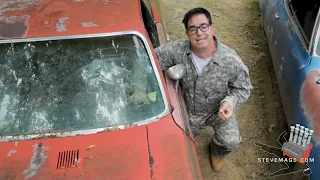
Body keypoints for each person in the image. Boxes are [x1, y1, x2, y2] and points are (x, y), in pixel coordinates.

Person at [132, 7, 253, 172]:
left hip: (218, 112)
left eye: (203, 26)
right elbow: (146, 62)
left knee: (230, 141)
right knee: (175, 146)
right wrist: (138, 86)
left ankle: (216, 151)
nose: (199, 33)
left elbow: (243, 88)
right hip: (187, 111)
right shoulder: (177, 51)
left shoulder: (231, 60)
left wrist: (229, 103)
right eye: (193, 29)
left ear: (212, 28)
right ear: (187, 33)